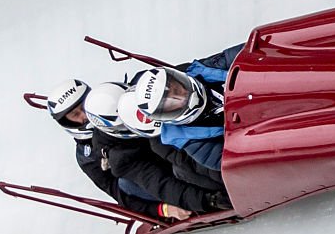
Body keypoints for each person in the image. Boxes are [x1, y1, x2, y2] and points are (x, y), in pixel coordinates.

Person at [44, 79, 192, 221]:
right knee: (124, 183)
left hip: (177, 156)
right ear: (68, 122)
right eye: (76, 115)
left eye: (83, 107)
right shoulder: (86, 156)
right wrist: (162, 209)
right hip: (156, 180)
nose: (85, 116)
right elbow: (121, 194)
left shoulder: (117, 104)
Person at [82, 82, 232, 214]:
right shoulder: (121, 158)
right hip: (185, 172)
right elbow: (160, 184)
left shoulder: (147, 86)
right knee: (179, 169)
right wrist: (208, 200)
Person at [134, 43, 244, 171]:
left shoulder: (203, 70)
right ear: (166, 115)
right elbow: (233, 162)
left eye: (176, 88)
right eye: (171, 102)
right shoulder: (194, 142)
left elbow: (243, 53)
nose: (181, 96)